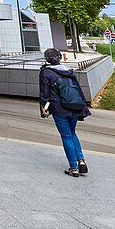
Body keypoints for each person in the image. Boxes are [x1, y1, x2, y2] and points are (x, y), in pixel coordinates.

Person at [39, 47, 91, 177]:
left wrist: (44, 108)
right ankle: (81, 161)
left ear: (47, 59)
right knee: (72, 133)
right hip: (74, 106)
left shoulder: (46, 72)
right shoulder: (68, 71)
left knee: (66, 136)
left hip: (59, 108)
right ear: (60, 58)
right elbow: (78, 89)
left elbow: (44, 93)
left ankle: (73, 168)